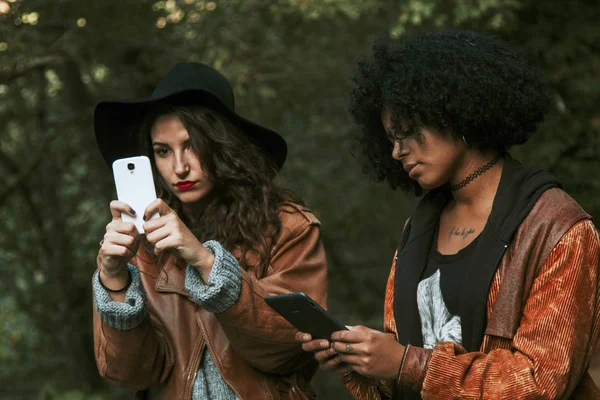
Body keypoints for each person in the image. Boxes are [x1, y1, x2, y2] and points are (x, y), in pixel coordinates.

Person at [296, 30, 600, 399]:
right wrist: (360, 359)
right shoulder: (419, 228)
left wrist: (407, 363)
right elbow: (401, 362)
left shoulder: (558, 228)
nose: (396, 152)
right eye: (391, 140)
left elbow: (539, 383)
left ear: (454, 112)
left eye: (407, 133)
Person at [92, 62, 327, 400]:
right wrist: (114, 280)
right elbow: (130, 373)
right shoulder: (140, 244)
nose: (179, 167)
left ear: (223, 145)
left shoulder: (287, 227)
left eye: (192, 145)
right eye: (162, 151)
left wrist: (205, 262)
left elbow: (286, 350)